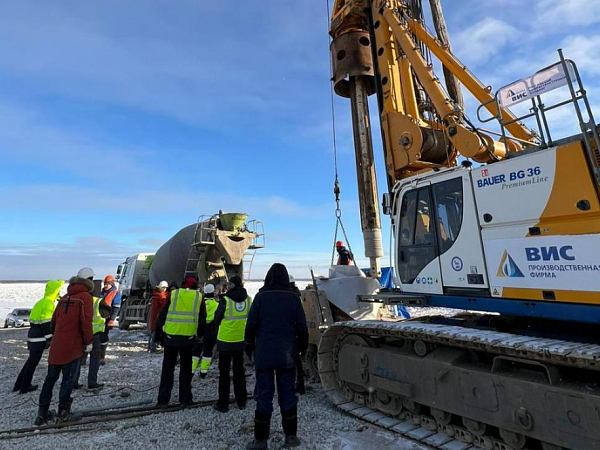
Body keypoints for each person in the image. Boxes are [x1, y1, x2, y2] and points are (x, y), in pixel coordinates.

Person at [245, 263, 308, 449]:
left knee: (264, 396)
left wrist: (248, 346)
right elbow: (302, 326)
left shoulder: (261, 297)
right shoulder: (293, 298)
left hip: (264, 354)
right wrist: (302, 347)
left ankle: (260, 440)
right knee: (288, 395)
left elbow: (251, 325)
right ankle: (290, 437)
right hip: (287, 355)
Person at [34, 267, 94, 425]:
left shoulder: (65, 297)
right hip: (72, 347)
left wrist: (56, 338)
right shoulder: (85, 298)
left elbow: (54, 321)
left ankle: (41, 414)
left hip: (57, 347)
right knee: (68, 380)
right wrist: (88, 342)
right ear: (90, 280)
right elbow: (86, 322)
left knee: (50, 379)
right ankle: (63, 413)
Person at [155, 276, 206, 407]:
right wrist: (200, 335)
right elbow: (202, 319)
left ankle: (163, 400)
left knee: (167, 369)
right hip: (188, 339)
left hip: (170, 337)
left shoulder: (173, 294)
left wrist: (159, 334)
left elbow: (163, 314)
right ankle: (185, 399)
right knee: (185, 370)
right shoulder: (199, 297)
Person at [14, 280, 65, 394]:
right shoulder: (49, 304)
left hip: (33, 335)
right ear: (55, 291)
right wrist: (49, 339)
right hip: (39, 338)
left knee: (30, 361)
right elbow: (46, 323)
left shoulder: (40, 302)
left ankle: (19, 384)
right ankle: (25, 386)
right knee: (33, 362)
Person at [213, 276, 252, 413]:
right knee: (239, 371)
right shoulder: (248, 300)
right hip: (240, 341)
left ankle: (223, 404)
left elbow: (217, 318)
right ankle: (241, 401)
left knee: (224, 373)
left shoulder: (225, 300)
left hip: (225, 341)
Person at [75, 290, 111, 390]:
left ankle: (74, 382)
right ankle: (92, 382)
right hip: (95, 335)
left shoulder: (80, 300)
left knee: (78, 359)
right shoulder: (99, 301)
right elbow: (107, 314)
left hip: (81, 334)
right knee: (94, 359)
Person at [192, 283, 219, 379]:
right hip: (211, 331)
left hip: (200, 330)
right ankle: (203, 372)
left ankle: (191, 370)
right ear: (213, 292)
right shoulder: (216, 304)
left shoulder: (199, 303)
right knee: (207, 352)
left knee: (196, 352)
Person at [288, 275, 306, 396]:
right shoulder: (296, 294)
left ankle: (295, 385)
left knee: (291, 362)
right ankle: (301, 385)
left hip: (291, 332)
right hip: (297, 331)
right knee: (298, 361)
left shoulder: (290, 296)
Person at [99, 275, 118, 364]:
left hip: (107, 318)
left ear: (111, 284)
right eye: (105, 283)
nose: (106, 285)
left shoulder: (116, 293)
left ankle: (101, 357)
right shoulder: (101, 292)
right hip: (98, 318)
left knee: (104, 336)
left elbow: (116, 308)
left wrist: (112, 319)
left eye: (108, 284)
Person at [148, 281, 169, 352]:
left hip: (154, 316)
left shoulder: (155, 295)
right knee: (155, 332)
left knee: (152, 332)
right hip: (158, 316)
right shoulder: (161, 296)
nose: (165, 289)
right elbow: (164, 306)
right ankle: (153, 347)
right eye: (163, 287)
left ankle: (150, 346)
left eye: (166, 288)